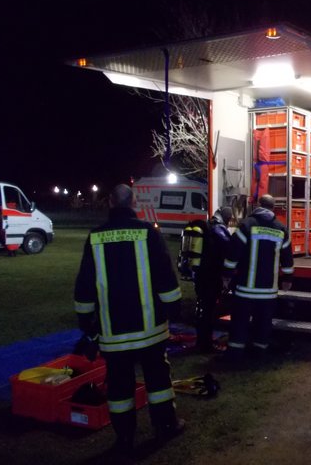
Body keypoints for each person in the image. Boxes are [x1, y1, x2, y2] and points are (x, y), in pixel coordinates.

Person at [73, 184, 185, 454]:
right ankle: (165, 426)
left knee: (119, 387)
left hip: (113, 333)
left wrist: (86, 322)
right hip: (150, 330)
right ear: (134, 202)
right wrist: (174, 308)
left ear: (110, 202)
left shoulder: (95, 236)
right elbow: (164, 275)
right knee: (158, 381)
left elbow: (85, 284)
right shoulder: (148, 233)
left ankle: (124, 438)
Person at [222, 194, 294, 360]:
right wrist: (288, 279)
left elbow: (233, 254)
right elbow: (287, 259)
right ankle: (259, 353)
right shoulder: (281, 229)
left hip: (245, 290)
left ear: (258, 206)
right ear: (273, 207)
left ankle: (235, 353)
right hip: (268, 291)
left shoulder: (246, 225)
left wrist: (226, 276)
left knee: (239, 323)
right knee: (263, 323)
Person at [193, 206, 233, 352]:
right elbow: (229, 247)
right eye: (229, 219)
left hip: (201, 275)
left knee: (204, 309)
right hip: (210, 276)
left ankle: (201, 342)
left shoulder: (209, 226)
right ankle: (205, 344)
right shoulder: (219, 230)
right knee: (208, 311)